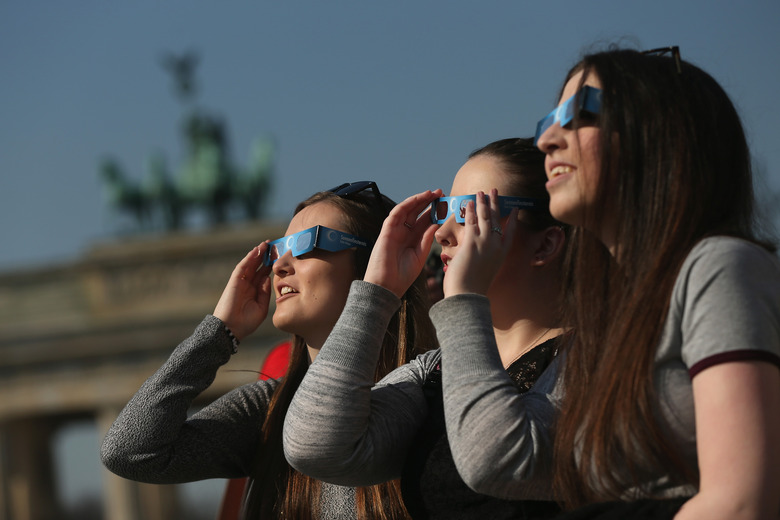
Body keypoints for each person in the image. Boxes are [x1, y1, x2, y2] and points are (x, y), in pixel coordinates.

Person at [435, 48, 780, 519]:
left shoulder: (718, 266)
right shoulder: (608, 324)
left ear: (660, 131)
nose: (548, 140)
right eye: (549, 120)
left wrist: (466, 298)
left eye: (582, 113)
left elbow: (742, 504)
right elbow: (501, 459)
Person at [100, 181, 437, 520]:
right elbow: (129, 451)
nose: (279, 266)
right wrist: (219, 332)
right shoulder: (267, 411)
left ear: (373, 262)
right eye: (277, 250)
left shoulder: (426, 391)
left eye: (306, 244)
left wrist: (377, 292)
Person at [283, 138, 569, 519]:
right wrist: (376, 291)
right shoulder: (433, 371)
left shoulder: (594, 360)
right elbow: (316, 446)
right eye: (444, 210)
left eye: (469, 212)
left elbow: (493, 459)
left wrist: (464, 300)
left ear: (545, 244)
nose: (442, 233)